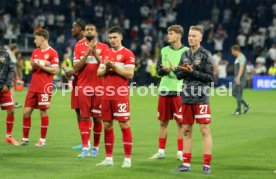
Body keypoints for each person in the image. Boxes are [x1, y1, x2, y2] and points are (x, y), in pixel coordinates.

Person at [174, 26, 214, 174]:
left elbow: (210, 78)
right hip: (186, 97)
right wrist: (178, 70)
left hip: (201, 97)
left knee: (204, 130)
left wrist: (193, 72)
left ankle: (207, 165)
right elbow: (179, 76)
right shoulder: (184, 54)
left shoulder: (206, 54)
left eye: (194, 36)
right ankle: (186, 163)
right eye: (190, 35)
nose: (191, 38)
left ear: (201, 38)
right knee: (186, 130)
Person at [96, 26, 135, 168]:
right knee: (107, 125)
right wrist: (107, 67)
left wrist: (114, 67)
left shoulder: (128, 54)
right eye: (110, 38)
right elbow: (99, 74)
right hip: (106, 95)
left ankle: (127, 159)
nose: (112, 40)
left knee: (123, 124)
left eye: (115, 37)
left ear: (121, 38)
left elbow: (129, 74)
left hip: (120, 95)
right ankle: (108, 158)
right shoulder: (106, 53)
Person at [149, 25, 189, 160]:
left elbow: (187, 72)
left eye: (171, 33)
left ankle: (180, 152)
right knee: (163, 122)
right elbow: (158, 70)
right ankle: (161, 151)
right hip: (164, 90)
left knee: (180, 123)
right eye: (168, 33)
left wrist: (174, 69)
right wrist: (164, 70)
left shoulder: (187, 52)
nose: (168, 36)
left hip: (178, 91)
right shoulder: (164, 50)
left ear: (178, 36)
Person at [72, 23, 109, 158]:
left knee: (98, 119)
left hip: (99, 87)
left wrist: (95, 54)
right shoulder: (78, 46)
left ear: (96, 32)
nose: (89, 31)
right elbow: (76, 67)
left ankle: (96, 147)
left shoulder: (104, 47)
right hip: (83, 86)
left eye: (91, 29)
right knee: (84, 117)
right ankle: (85, 147)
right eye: (87, 29)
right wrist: (86, 55)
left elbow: (105, 66)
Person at [19, 29, 59, 146]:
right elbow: (33, 69)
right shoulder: (35, 52)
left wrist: (39, 65)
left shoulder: (53, 53)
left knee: (43, 111)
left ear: (42, 38)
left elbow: (54, 70)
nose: (34, 40)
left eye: (36, 38)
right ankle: (25, 139)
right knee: (26, 112)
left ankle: (42, 140)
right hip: (33, 86)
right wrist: (32, 67)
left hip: (44, 87)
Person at [0, 47, 20, 145]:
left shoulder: (5, 54)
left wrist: (7, 85)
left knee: (11, 111)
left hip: (4, 88)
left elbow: (11, 69)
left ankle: (8, 136)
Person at [231, 45, 250, 115]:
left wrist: (238, 78)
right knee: (235, 93)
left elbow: (241, 69)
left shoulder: (241, 57)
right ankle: (246, 105)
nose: (232, 53)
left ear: (237, 50)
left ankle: (238, 110)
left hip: (240, 79)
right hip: (238, 78)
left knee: (237, 94)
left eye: (233, 51)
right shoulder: (239, 57)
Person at [7, 43, 22, 108]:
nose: (18, 49)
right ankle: (14, 103)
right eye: (17, 48)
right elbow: (13, 67)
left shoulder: (7, 54)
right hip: (8, 75)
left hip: (4, 75)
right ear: (15, 49)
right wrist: (16, 75)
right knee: (11, 88)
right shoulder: (11, 56)